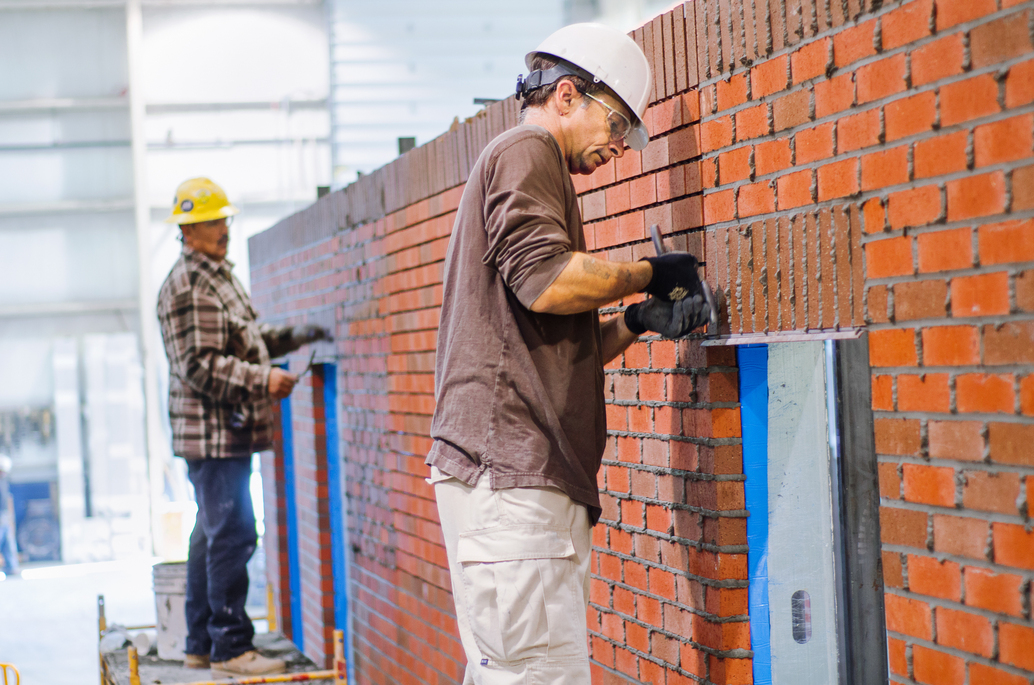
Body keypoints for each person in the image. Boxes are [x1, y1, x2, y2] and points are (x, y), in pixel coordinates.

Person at [427, 23, 711, 685]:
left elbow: (553, 343)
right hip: (512, 474)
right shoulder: (526, 151)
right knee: (538, 674)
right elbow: (548, 282)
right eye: (616, 125)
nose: (618, 147)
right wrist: (648, 270)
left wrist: (636, 320)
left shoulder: (527, 161)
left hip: (510, 475)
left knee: (513, 671)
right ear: (564, 94)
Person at [156, 177, 331, 677]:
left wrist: (303, 334)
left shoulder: (216, 276)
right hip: (213, 436)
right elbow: (201, 365)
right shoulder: (189, 286)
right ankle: (231, 650)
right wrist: (263, 380)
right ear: (188, 230)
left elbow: (246, 338)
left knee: (212, 537)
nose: (223, 229)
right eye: (212, 222)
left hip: (224, 432)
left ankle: (200, 644)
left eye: (224, 219)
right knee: (232, 533)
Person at [0, 454, 19, 578]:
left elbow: (6, 499)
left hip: (4, 515)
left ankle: (11, 567)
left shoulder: (3, 481)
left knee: (8, 541)